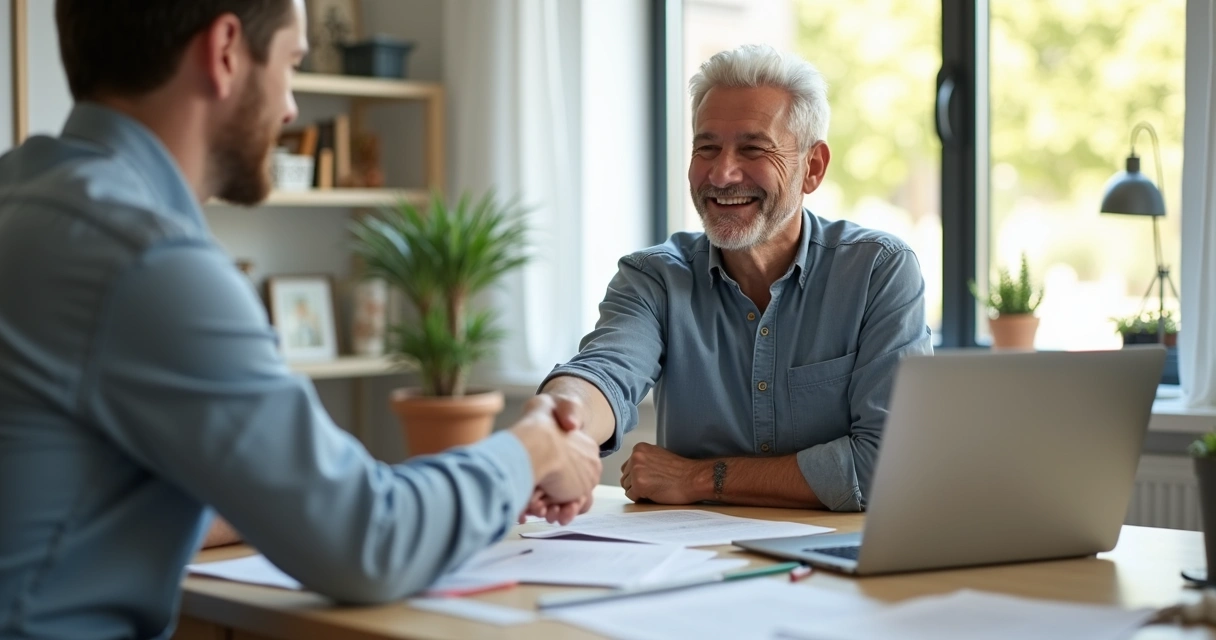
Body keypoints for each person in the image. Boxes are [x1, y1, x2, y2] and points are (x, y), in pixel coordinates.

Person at [0, 1, 599, 637]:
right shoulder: (148, 262)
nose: (289, 108)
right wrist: (532, 447)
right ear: (226, 51)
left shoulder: (26, 199)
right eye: (291, 63)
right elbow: (367, 541)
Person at [539, 44, 932, 513]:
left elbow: (887, 465)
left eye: (752, 148)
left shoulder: (878, 271)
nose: (722, 174)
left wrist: (698, 478)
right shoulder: (654, 277)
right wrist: (557, 422)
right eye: (707, 148)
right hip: (697, 563)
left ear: (813, 168)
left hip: (838, 562)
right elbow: (604, 373)